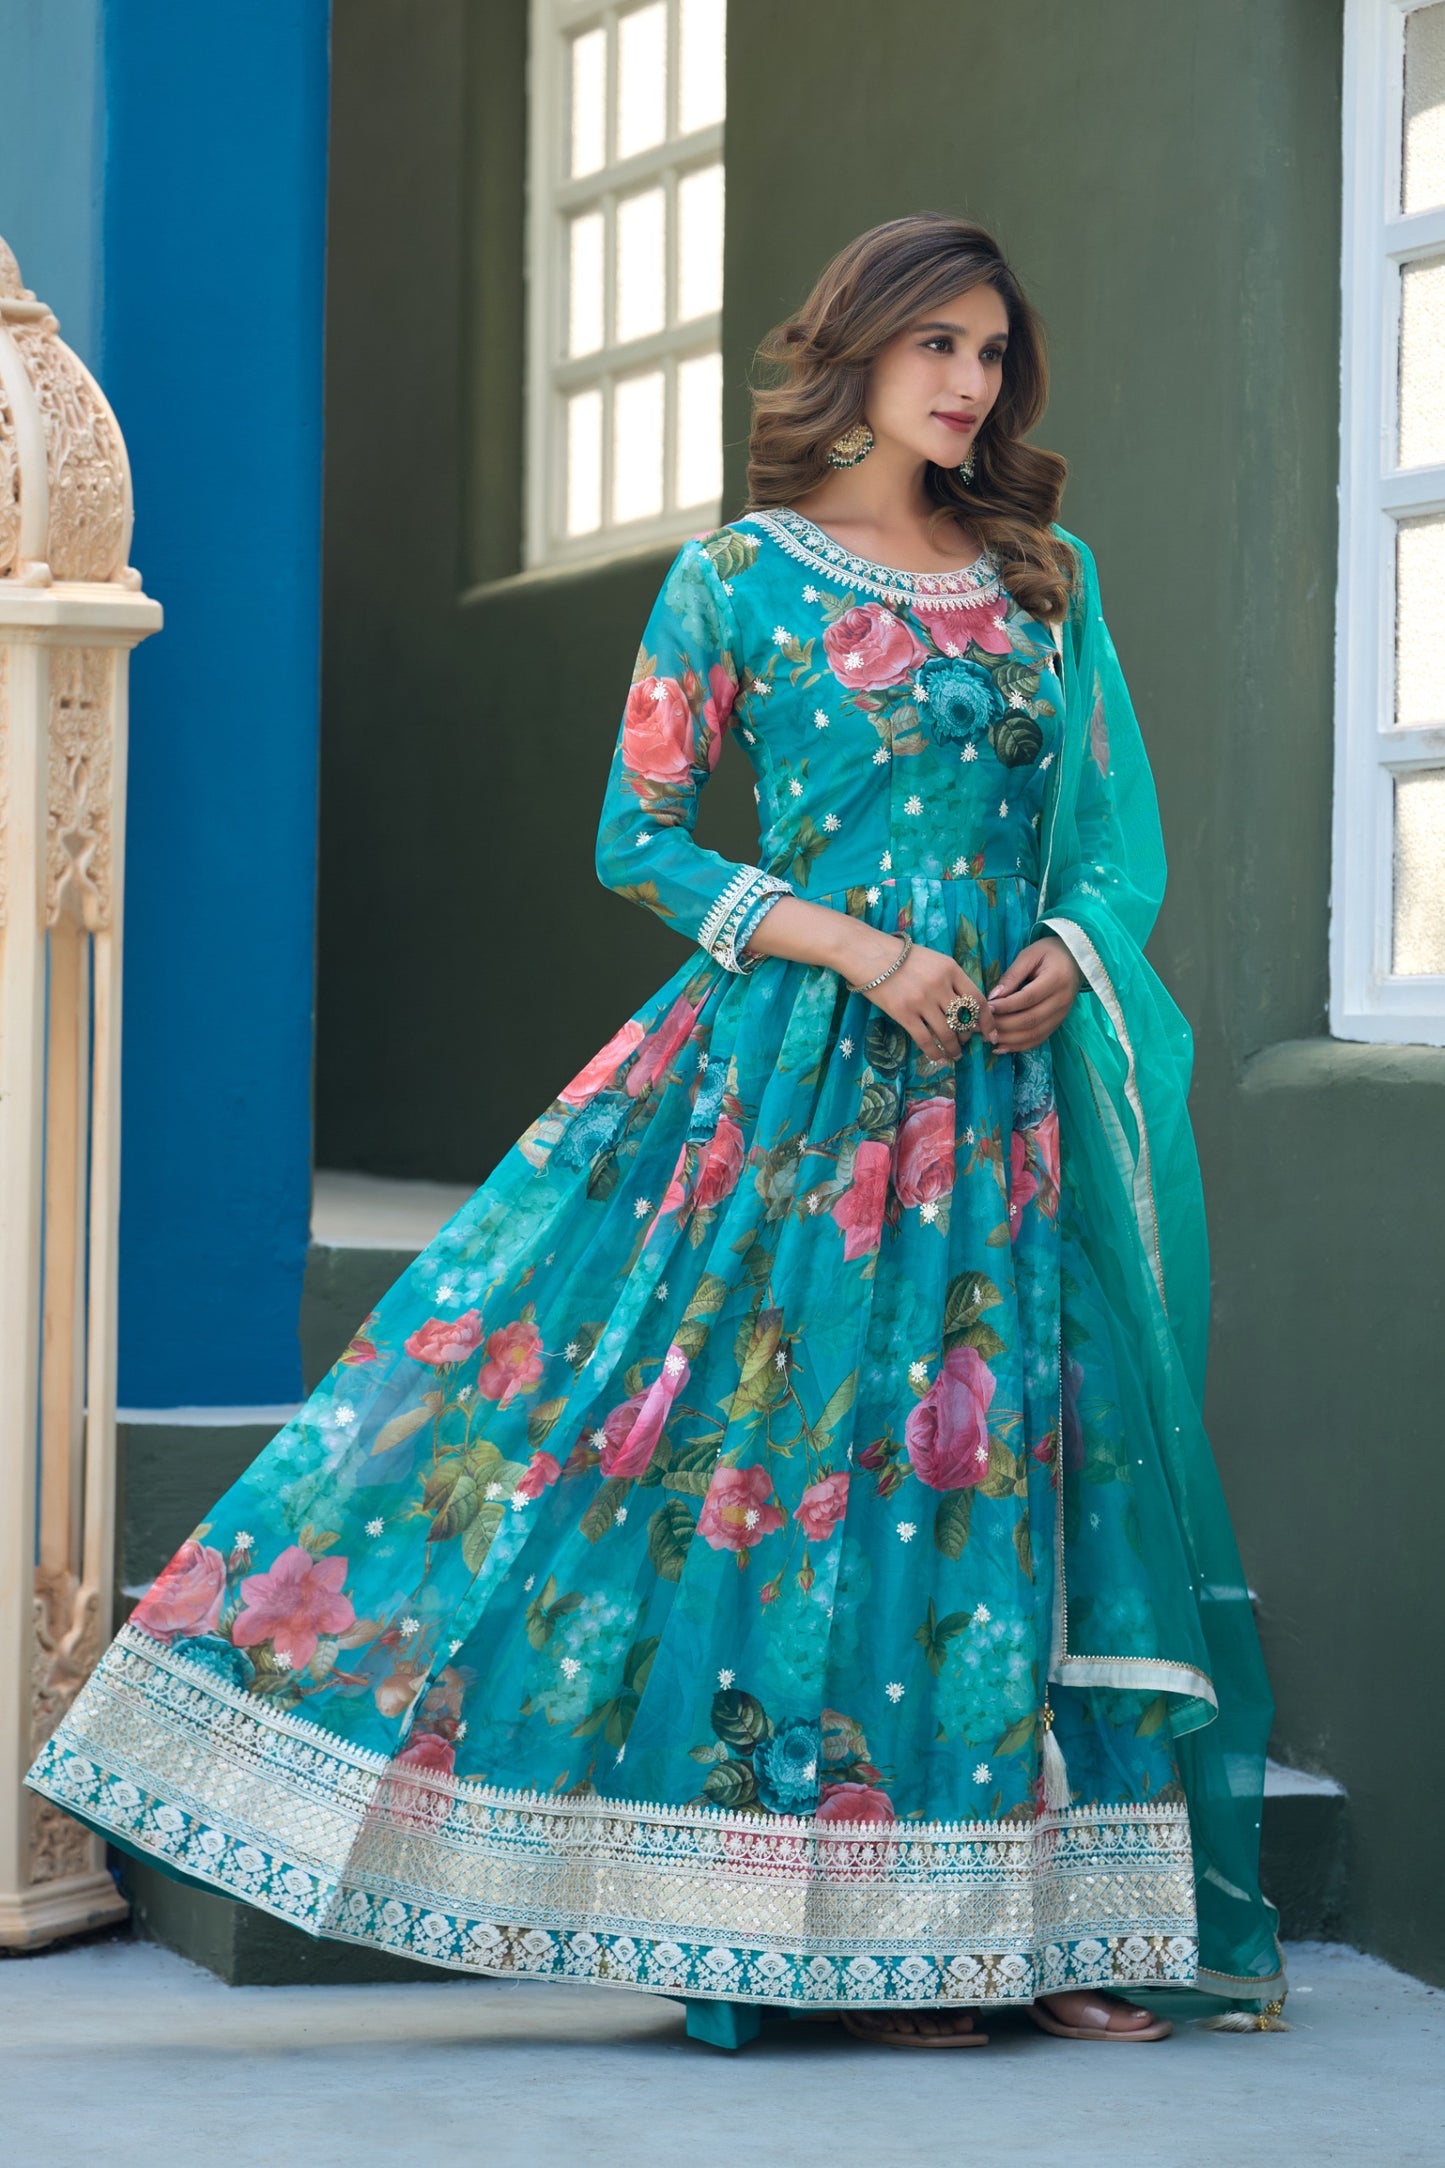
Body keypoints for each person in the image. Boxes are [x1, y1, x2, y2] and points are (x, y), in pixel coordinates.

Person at [28, 213, 1286, 2049]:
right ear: (853, 353)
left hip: (1001, 1110)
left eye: (991, 355)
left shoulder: (1042, 578)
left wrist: (1060, 948)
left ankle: (1018, 1926)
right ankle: (820, 1931)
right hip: (797, 1098)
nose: (968, 384)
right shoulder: (733, 582)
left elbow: (1110, 840)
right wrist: (857, 944)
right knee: (796, 1471)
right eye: (936, 345)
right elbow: (643, 837)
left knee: (999, 1479)